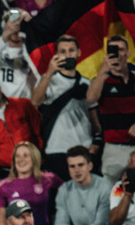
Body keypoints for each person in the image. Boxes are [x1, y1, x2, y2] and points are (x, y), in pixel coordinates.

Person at [86, 36, 135, 184]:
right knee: (112, 193)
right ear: (107, 54)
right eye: (113, 50)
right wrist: (103, 71)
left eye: (121, 49)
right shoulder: (100, 80)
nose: (117, 54)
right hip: (114, 149)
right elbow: (91, 98)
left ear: (128, 53)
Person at [31, 35, 96, 180]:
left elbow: (95, 120)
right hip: (56, 149)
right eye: (63, 51)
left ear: (79, 52)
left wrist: (96, 143)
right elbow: (35, 102)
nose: (67, 55)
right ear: (57, 55)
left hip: (83, 149)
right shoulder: (48, 80)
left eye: (71, 50)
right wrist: (49, 73)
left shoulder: (87, 83)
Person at [0, 142, 62, 225]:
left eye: (25, 156)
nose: (21, 160)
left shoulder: (48, 179)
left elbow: (68, 192)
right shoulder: (3, 186)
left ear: (34, 158)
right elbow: (1, 222)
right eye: (17, 156)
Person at [53, 146, 112, 225]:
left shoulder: (105, 186)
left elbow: (101, 224)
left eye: (80, 165)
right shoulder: (64, 189)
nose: (77, 170)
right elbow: (61, 220)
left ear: (90, 166)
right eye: (72, 166)